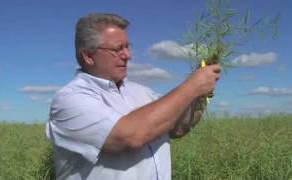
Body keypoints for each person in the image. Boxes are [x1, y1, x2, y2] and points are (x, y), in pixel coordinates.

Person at [46, 13, 221, 180]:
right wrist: (191, 86)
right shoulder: (69, 100)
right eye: (117, 49)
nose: (127, 56)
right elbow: (131, 136)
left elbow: (177, 128)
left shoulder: (143, 92)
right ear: (88, 56)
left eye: (127, 47)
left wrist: (202, 95)